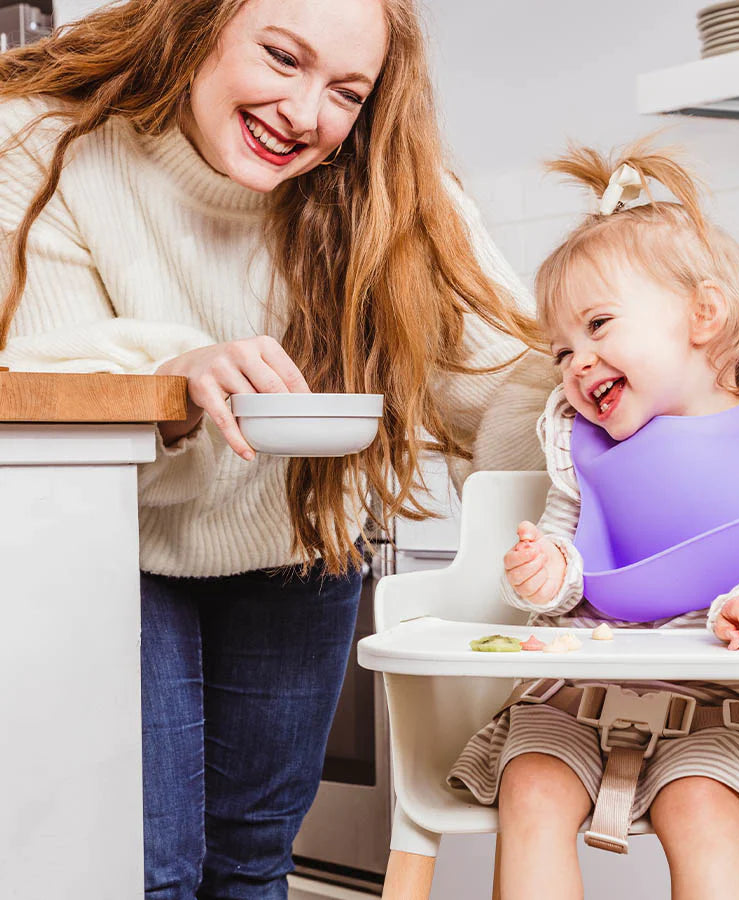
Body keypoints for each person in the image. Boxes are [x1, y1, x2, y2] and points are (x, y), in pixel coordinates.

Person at [0, 1, 554, 896]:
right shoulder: (44, 143)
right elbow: (40, 379)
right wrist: (170, 378)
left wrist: (611, 391)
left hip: (302, 542)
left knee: (256, 857)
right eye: (282, 57)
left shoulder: (388, 180)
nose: (306, 114)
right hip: (116, 550)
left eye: (345, 90)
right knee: (150, 869)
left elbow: (497, 382)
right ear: (197, 26)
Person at [448, 139, 739, 900]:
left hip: (728, 707)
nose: (576, 362)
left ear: (703, 315)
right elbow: (574, 558)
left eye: (599, 326)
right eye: (563, 347)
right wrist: (547, 572)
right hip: (574, 697)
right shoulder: (579, 448)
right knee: (530, 790)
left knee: (700, 808)